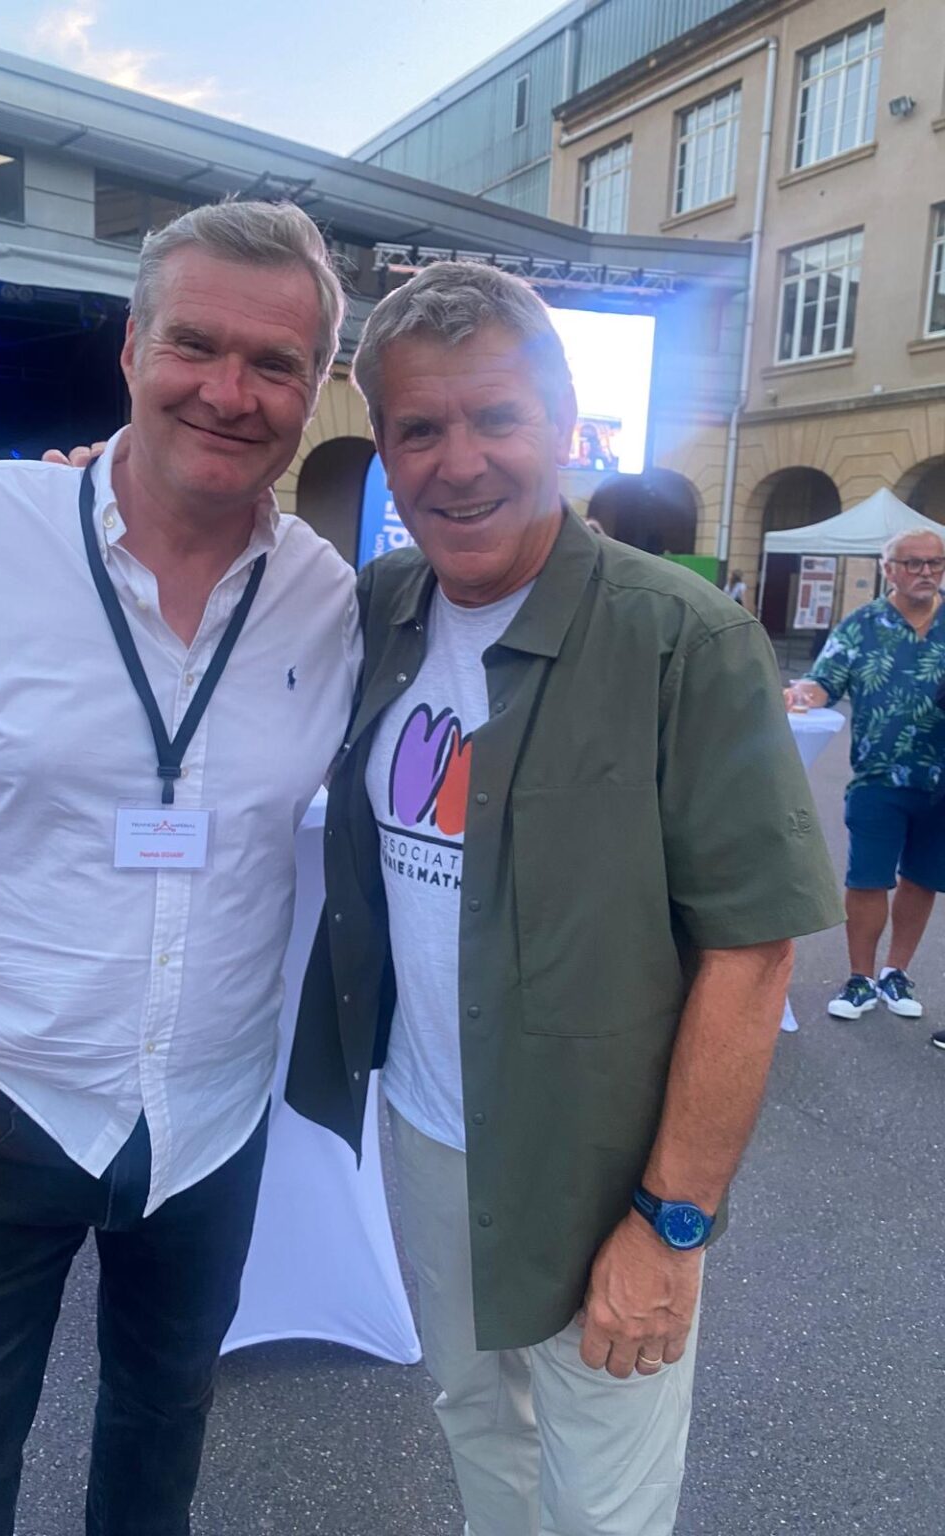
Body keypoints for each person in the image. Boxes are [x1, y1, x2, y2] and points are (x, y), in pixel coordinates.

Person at [0, 200, 360, 1536]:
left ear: (317, 388)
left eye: (274, 364)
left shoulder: (330, 596)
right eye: (195, 345)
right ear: (132, 347)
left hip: (214, 1112)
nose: (229, 391)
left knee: (162, 1438)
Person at [286, 261, 844, 1536]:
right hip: (429, 1126)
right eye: (420, 429)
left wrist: (673, 1222)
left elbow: (751, 955)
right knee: (476, 1423)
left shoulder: (682, 639)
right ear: (385, 451)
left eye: (497, 418)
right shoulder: (380, 607)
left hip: (604, 1165)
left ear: (564, 424)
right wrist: (94, 487)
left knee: (601, 1503)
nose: (459, 462)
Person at [785, 529, 945, 1032]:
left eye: (936, 563)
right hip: (879, 776)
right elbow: (824, 682)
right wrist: (803, 694)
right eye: (913, 563)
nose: (926, 572)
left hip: (941, 781)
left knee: (921, 879)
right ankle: (860, 978)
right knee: (868, 879)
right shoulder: (861, 626)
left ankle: (896, 974)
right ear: (888, 568)